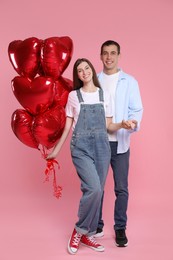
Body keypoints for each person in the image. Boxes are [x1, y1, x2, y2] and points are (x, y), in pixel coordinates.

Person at [46, 58, 131, 254]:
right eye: (80, 70)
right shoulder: (74, 96)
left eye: (86, 68)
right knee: (92, 188)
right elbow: (68, 125)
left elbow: (109, 125)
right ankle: (79, 231)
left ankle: (88, 233)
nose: (84, 72)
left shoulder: (105, 95)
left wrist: (122, 124)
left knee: (98, 192)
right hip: (81, 147)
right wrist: (57, 149)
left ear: (92, 70)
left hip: (102, 147)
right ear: (78, 76)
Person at [95, 40, 143, 247]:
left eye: (113, 53)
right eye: (105, 53)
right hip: (99, 144)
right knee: (96, 187)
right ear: (100, 56)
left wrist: (131, 122)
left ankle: (120, 227)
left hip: (120, 144)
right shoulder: (94, 80)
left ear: (119, 55)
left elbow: (136, 110)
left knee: (121, 188)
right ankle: (96, 224)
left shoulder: (129, 81)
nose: (109, 57)